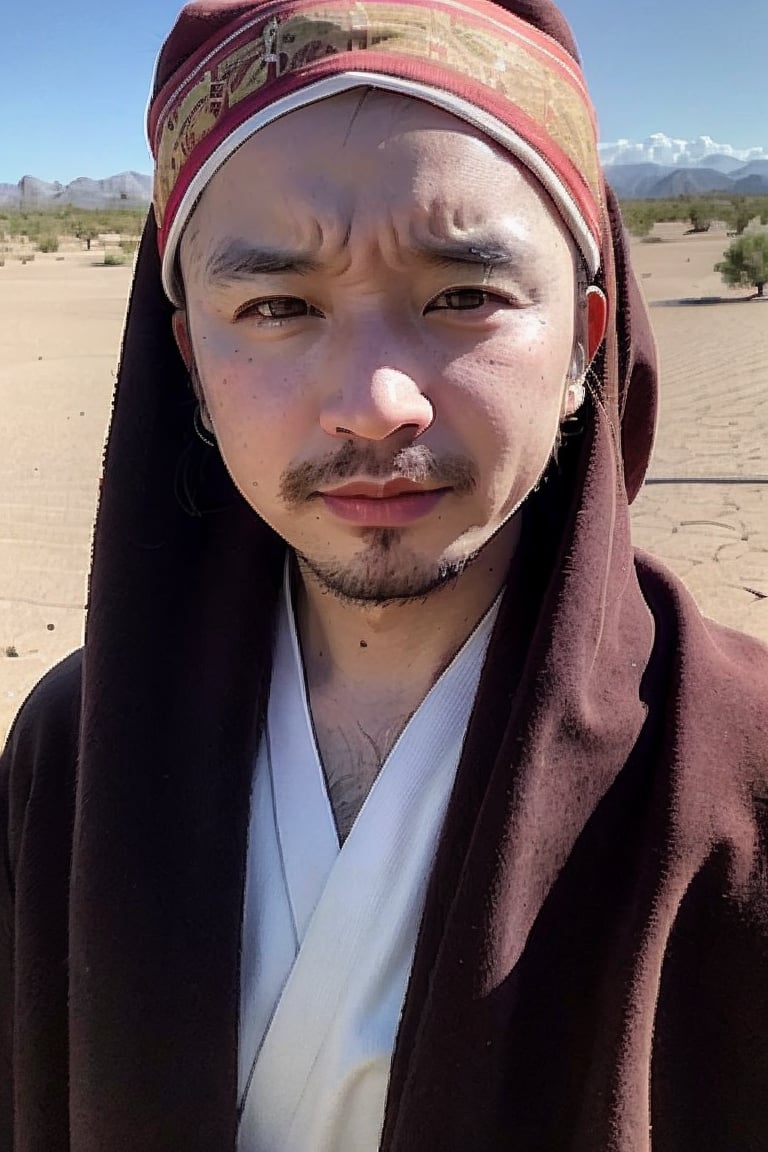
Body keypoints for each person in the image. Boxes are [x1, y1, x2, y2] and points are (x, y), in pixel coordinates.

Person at [2, 0, 768, 1148]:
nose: (373, 404)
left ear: (583, 343)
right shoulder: (72, 747)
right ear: (191, 366)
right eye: (275, 307)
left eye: (463, 296)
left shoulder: (742, 770)